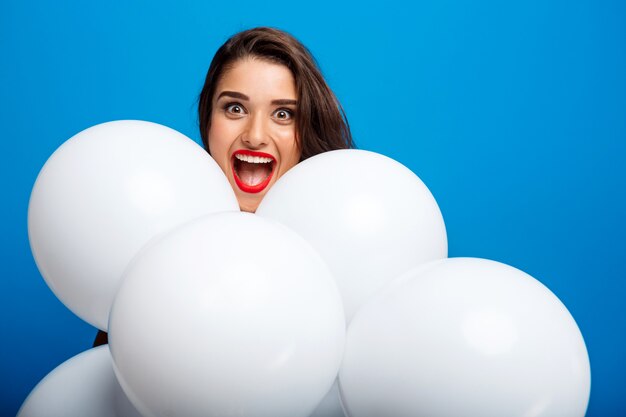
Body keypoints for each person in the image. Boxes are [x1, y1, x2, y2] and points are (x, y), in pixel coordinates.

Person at [94, 26, 353, 346]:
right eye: (235, 108)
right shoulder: (154, 245)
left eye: (283, 114)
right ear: (208, 121)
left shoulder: (342, 249)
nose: (255, 135)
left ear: (306, 129)